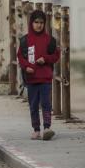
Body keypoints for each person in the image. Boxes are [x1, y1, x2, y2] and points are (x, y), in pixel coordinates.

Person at [17, 10, 60, 141]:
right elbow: (20, 56)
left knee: (46, 103)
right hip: (31, 79)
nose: (39, 25)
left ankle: (47, 128)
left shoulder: (50, 40)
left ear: (44, 24)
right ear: (31, 23)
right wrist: (26, 67)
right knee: (33, 105)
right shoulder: (25, 40)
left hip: (45, 78)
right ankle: (36, 129)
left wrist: (45, 59)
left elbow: (56, 56)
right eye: (36, 22)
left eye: (41, 22)